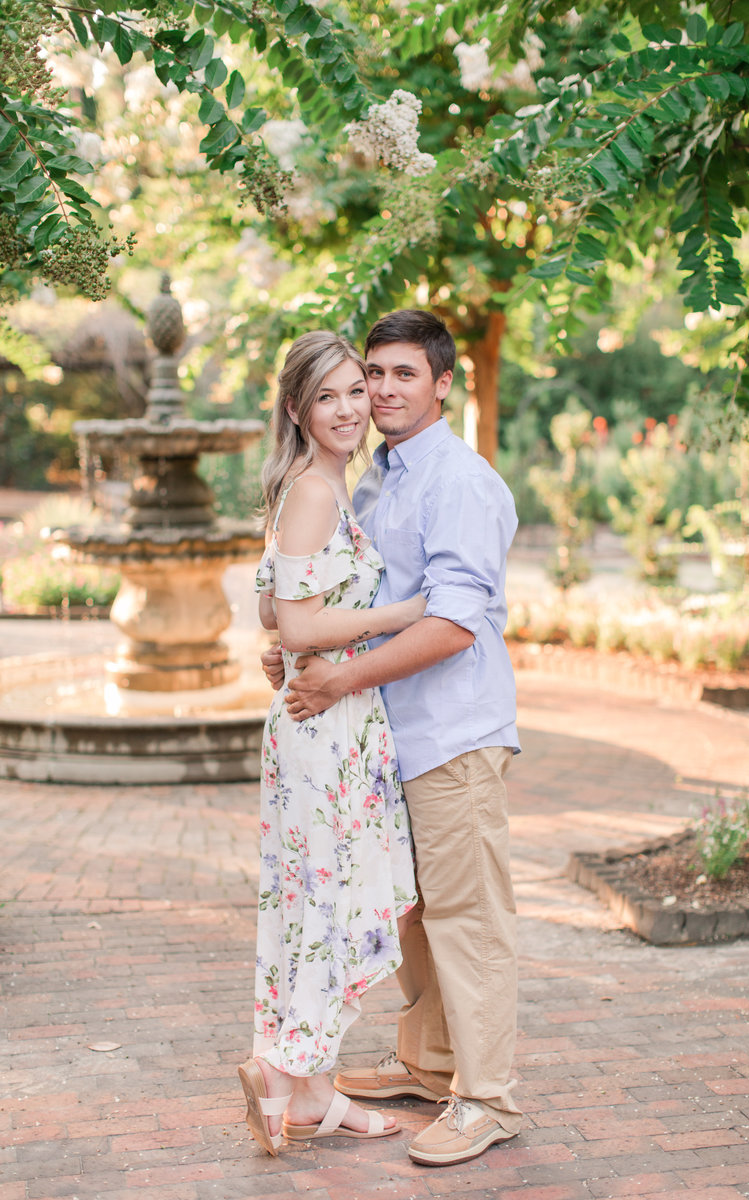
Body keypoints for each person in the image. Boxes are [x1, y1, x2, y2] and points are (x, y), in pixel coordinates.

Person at [273, 309, 524, 1167]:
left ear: (444, 382)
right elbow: (347, 599)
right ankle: (428, 1063)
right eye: (370, 374)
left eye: (401, 374)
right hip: (387, 742)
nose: (380, 391)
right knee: (416, 913)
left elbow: (455, 623)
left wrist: (338, 676)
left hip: (452, 737)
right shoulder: (376, 476)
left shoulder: (460, 480)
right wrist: (302, 643)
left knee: (468, 918)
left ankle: (486, 1099)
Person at [237, 330, 426, 1156]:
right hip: (325, 727)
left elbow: (273, 615)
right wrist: (402, 614)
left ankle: (312, 1092)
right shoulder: (315, 491)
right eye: (330, 396)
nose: (351, 408)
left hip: (324, 722)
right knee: (329, 903)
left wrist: (286, 644)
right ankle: (283, 1069)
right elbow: (305, 620)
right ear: (297, 410)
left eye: (358, 390)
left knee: (312, 904)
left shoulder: (314, 486)